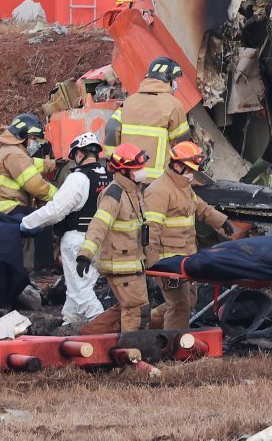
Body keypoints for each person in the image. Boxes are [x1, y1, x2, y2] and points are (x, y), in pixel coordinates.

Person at [17, 133, 111, 328]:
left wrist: (28, 223)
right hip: (101, 240)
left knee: (82, 292)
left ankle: (103, 330)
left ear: (78, 153)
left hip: (77, 240)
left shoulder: (78, 178)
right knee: (79, 286)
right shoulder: (106, 177)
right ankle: (70, 324)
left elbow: (56, 211)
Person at [144, 140, 235, 330]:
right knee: (180, 305)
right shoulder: (159, 191)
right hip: (167, 260)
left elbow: (201, 208)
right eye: (189, 170)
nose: (191, 174)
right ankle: (175, 345)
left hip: (187, 257)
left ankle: (148, 326)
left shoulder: (184, 187)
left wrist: (221, 222)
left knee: (189, 300)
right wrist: (153, 265)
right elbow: (151, 229)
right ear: (177, 165)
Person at [74, 143, 153, 332]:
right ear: (124, 170)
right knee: (136, 310)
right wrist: (85, 254)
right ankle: (132, 351)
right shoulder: (114, 195)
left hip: (132, 262)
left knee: (125, 308)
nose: (142, 172)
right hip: (121, 263)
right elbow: (98, 225)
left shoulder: (133, 191)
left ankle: (87, 337)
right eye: (137, 169)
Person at [104, 56, 191, 181]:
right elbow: (181, 143)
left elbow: (111, 130)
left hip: (129, 177)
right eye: (175, 80)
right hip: (159, 181)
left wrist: (114, 161)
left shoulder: (129, 102)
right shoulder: (173, 105)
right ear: (169, 80)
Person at [0, 114, 58, 215]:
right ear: (23, 137)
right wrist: (60, 195)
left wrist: (53, 164)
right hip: (4, 208)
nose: (37, 143)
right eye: (34, 139)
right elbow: (36, 186)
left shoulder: (10, 150)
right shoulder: (15, 155)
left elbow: (29, 164)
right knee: (41, 222)